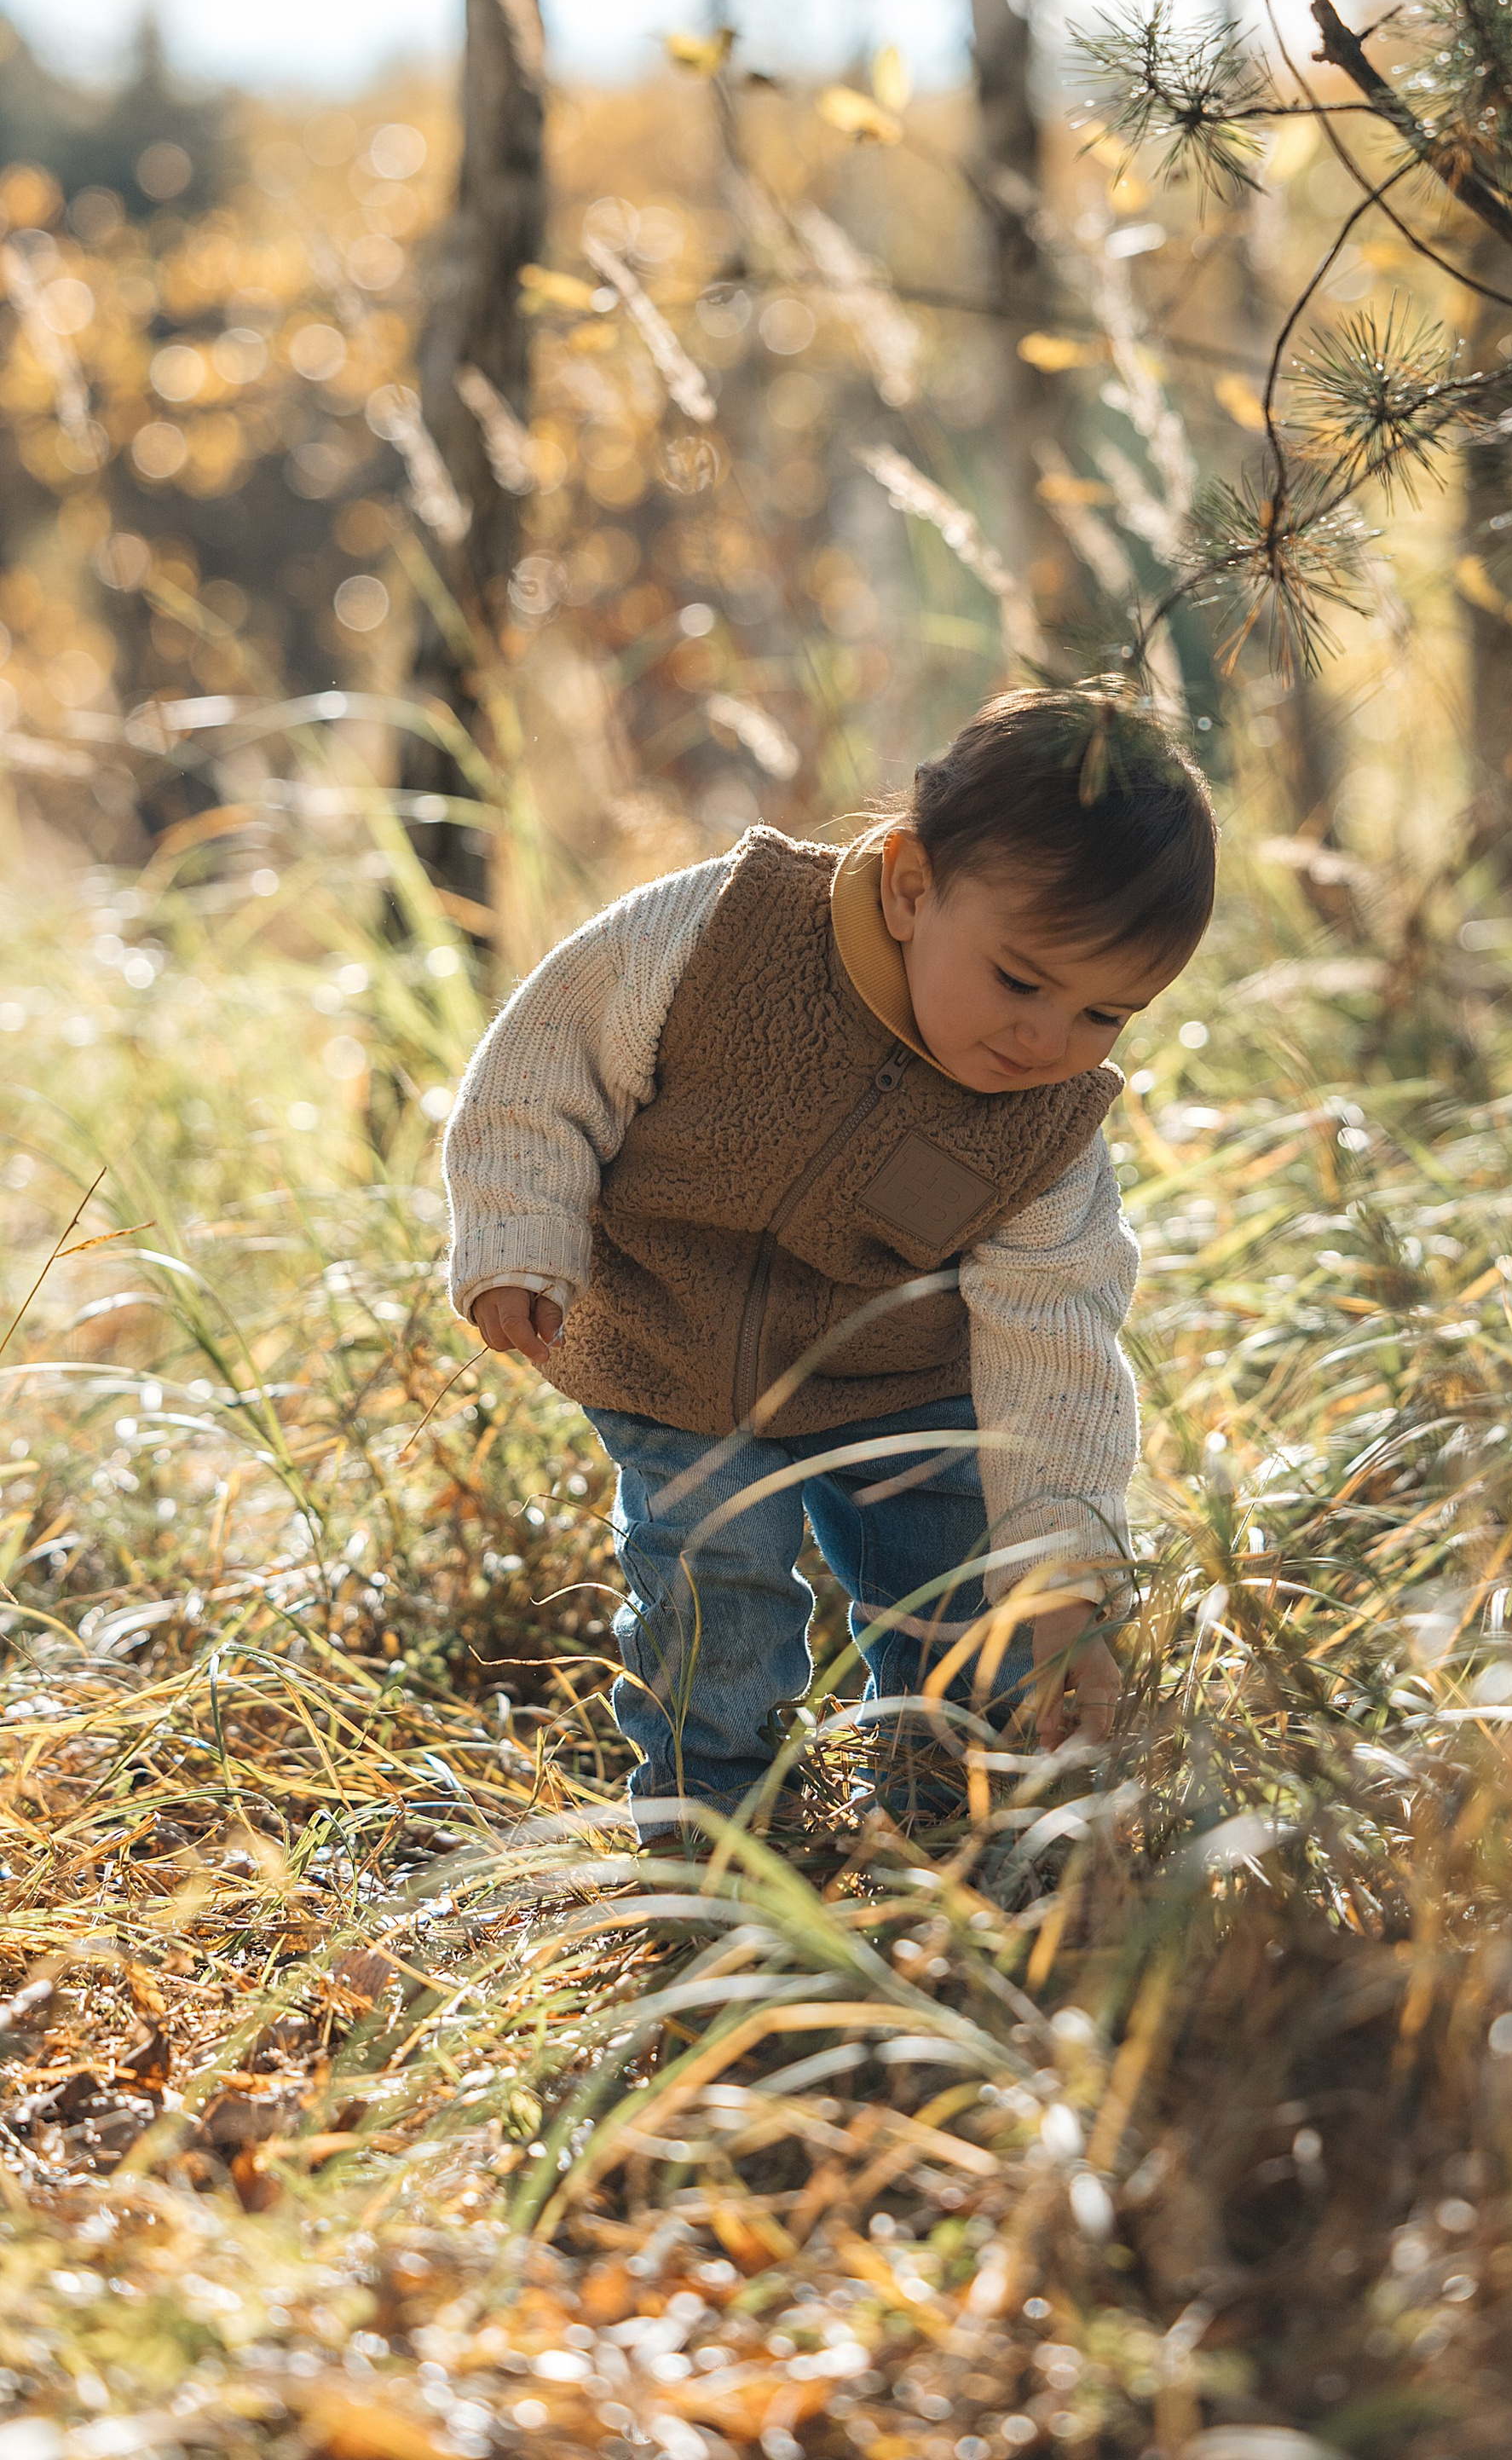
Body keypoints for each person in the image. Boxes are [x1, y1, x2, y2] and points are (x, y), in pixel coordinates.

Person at [441, 684, 1216, 1845]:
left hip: (901, 1380)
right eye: (1019, 981)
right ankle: (715, 1825)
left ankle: (935, 1805)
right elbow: (546, 1067)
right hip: (675, 1340)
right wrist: (518, 1237)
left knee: (954, 1590)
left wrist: (1064, 1566)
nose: (1048, 1040)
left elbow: (1057, 1338)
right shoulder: (721, 935)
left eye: (1106, 1014)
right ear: (911, 887)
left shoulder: (1044, 1131)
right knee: (717, 1593)